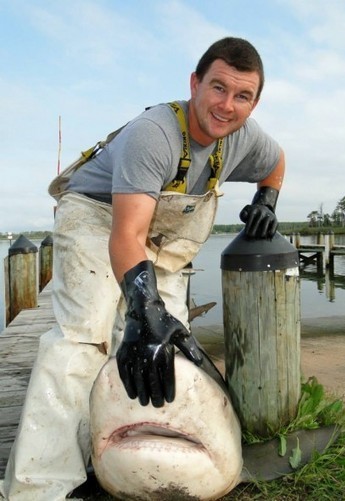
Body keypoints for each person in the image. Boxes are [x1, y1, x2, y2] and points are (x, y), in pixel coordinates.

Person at [1, 37, 285, 500]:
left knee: (168, 345)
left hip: (161, 237)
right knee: (84, 337)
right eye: (217, 88)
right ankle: (42, 484)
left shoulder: (246, 138)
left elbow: (276, 163)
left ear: (254, 103)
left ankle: (129, 457)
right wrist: (141, 306)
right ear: (194, 84)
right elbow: (125, 237)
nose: (226, 105)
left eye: (242, 96)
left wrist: (266, 200)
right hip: (98, 217)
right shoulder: (153, 134)